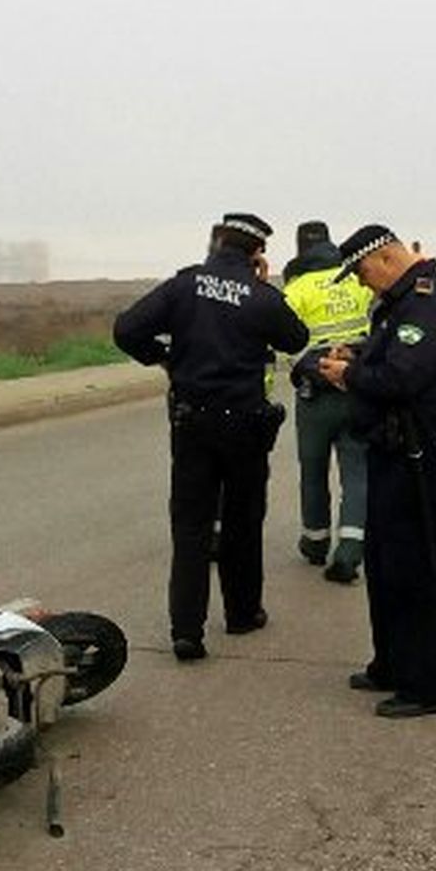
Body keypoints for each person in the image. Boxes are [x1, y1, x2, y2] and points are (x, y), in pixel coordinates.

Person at [113, 213, 309, 662]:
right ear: (256, 253)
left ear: (216, 242)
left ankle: (186, 631)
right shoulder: (260, 297)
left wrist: (163, 358)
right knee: (242, 520)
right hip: (244, 423)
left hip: (192, 421)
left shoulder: (184, 286)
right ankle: (242, 613)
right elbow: (295, 337)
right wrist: (264, 287)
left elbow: (126, 329)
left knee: (191, 526)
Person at [317, 225, 436, 718]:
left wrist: (349, 375)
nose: (361, 284)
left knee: (415, 567)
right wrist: (357, 356)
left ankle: (427, 686)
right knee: (385, 563)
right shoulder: (400, 303)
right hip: (390, 446)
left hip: (418, 451)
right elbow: (391, 355)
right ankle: (392, 663)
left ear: (384, 259)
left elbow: (403, 376)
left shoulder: (425, 304)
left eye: (361, 273)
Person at [283, 221, 375, 584]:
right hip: (355, 386)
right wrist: (351, 361)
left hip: (315, 393)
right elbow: (378, 328)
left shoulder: (296, 289)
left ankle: (315, 541)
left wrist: (320, 370)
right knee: (357, 472)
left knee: (313, 469)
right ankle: (350, 552)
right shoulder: (357, 279)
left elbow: (285, 342)